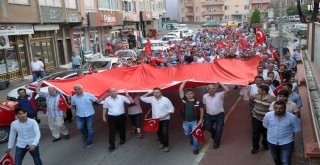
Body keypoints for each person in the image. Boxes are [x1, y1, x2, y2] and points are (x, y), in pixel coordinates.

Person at [263, 100, 301, 165]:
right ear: (273, 108)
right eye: (276, 108)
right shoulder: (268, 116)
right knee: (276, 159)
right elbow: (266, 125)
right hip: (272, 142)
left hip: (286, 143)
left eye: (281, 108)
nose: (278, 110)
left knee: (285, 161)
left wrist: (289, 135)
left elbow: (297, 129)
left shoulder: (292, 117)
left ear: (285, 108)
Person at [140, 88, 175, 152]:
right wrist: (149, 92)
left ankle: (166, 145)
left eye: (157, 92)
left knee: (164, 132)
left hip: (165, 119)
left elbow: (172, 109)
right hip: (155, 120)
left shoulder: (166, 100)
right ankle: (162, 143)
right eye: (154, 92)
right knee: (158, 132)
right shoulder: (152, 98)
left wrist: (164, 115)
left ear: (161, 92)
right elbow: (142, 98)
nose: (155, 94)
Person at [179, 80, 204, 154]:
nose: (189, 95)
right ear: (185, 95)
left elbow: (202, 111)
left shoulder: (198, 102)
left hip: (195, 122)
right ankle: (191, 139)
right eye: (187, 94)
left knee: (195, 136)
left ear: (193, 94)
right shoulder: (184, 100)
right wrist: (185, 81)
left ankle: (195, 148)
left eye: (191, 93)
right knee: (187, 133)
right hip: (186, 121)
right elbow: (180, 89)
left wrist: (201, 119)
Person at [202, 82, 230, 149]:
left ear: (215, 89)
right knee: (208, 127)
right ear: (207, 90)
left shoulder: (220, 95)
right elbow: (204, 106)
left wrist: (220, 82)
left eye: (213, 88)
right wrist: (202, 116)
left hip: (219, 116)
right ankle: (213, 132)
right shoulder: (204, 96)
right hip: (208, 115)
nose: (212, 90)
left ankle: (216, 143)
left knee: (219, 129)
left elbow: (228, 90)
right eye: (210, 89)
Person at [250, 85, 276, 154]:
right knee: (255, 133)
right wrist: (247, 91)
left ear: (264, 91)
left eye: (259, 90)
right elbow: (248, 99)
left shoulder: (272, 99)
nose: (257, 91)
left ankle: (265, 144)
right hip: (255, 117)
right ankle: (255, 147)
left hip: (266, 120)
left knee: (266, 133)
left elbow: (274, 109)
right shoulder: (256, 96)